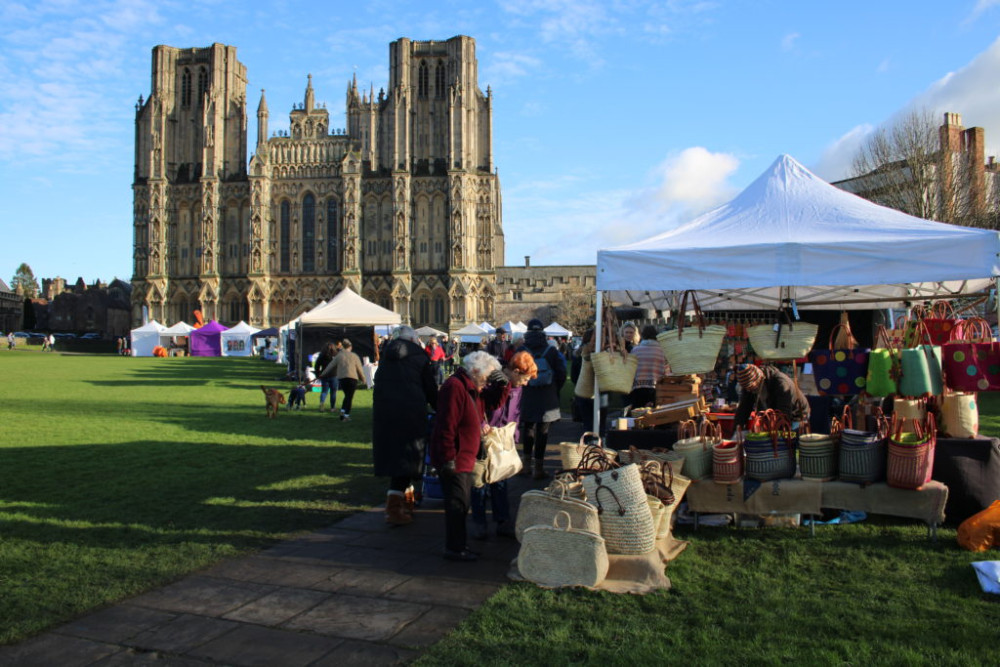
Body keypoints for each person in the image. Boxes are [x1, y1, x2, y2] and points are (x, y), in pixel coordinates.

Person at [430, 351, 504, 561]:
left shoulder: (471, 387)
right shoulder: (455, 387)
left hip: (464, 455)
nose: (487, 382)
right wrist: (448, 458)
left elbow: (492, 404)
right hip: (455, 456)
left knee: (462, 504)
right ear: (475, 371)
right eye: (486, 377)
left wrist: (503, 385)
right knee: (457, 504)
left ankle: (459, 545)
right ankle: (454, 548)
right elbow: (447, 424)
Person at [372, 325, 439, 525]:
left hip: (385, 414)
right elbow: (430, 389)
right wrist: (440, 407)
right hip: (410, 413)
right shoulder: (419, 357)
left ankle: (406, 503)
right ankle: (393, 510)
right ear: (412, 340)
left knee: (397, 458)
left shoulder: (386, 357)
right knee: (407, 459)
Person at [470, 350, 536, 540]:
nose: (526, 383)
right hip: (484, 436)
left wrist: (514, 435)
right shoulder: (492, 379)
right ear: (515, 371)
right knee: (479, 481)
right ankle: (479, 523)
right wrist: (482, 425)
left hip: (502, 438)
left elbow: (515, 413)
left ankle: (502, 520)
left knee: (501, 480)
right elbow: (476, 403)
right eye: (525, 378)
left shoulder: (518, 389)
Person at [516, 318, 567, 479]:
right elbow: (562, 373)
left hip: (528, 394)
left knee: (528, 429)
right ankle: (539, 468)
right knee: (543, 432)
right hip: (547, 395)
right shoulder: (551, 351)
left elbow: (514, 372)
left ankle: (526, 465)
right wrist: (554, 389)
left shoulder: (522, 350)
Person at [733, 363, 810, 430]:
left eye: (751, 387)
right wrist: (736, 430)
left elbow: (784, 411)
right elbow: (743, 409)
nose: (749, 390)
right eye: (747, 388)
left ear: (759, 379)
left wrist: (777, 432)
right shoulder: (749, 385)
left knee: (789, 441)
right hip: (773, 415)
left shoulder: (780, 382)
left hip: (796, 415)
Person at [628, 324, 668, 408]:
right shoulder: (662, 351)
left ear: (642, 335)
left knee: (638, 415)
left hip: (638, 388)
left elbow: (630, 369)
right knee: (654, 415)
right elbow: (666, 370)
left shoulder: (635, 350)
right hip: (657, 388)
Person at [330, 339, 364, 421]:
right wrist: (363, 378)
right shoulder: (354, 356)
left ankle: (342, 412)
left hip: (342, 379)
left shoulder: (339, 356)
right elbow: (359, 368)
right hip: (352, 378)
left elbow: (330, 366)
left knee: (347, 396)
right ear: (350, 347)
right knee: (349, 397)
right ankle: (346, 415)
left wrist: (322, 374)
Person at [314, 342, 341, 411]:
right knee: (333, 392)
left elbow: (317, 366)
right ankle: (332, 407)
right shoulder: (337, 355)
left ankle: (322, 405)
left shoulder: (321, 355)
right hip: (334, 375)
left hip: (324, 376)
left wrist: (318, 374)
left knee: (324, 391)